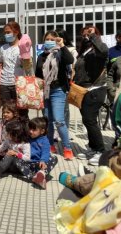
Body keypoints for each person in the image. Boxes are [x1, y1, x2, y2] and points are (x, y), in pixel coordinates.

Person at [35, 30, 75, 160]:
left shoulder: (60, 54)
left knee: (59, 120)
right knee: (47, 120)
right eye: (48, 39)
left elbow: (70, 60)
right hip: (45, 91)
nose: (50, 42)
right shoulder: (41, 56)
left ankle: (67, 147)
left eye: (53, 39)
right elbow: (37, 75)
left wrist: (62, 45)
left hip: (58, 90)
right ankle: (50, 144)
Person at [74, 25, 109, 166]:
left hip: (95, 89)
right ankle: (93, 148)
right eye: (84, 34)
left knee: (90, 120)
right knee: (87, 120)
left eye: (88, 34)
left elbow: (104, 51)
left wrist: (94, 36)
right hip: (84, 90)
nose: (86, 36)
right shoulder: (85, 51)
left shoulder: (98, 49)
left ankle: (101, 151)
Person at [0, 21, 32, 120]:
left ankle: (23, 134)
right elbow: (0, 64)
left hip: (19, 84)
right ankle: (8, 134)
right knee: (8, 112)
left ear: (16, 32)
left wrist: (25, 57)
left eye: (8, 32)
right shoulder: (3, 48)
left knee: (22, 112)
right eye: (5, 32)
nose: (6, 35)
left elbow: (28, 66)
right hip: (5, 84)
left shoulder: (24, 46)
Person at [56, 28, 78, 130]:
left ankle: (66, 128)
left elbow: (74, 65)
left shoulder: (71, 50)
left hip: (67, 81)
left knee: (65, 108)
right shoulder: (53, 49)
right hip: (54, 81)